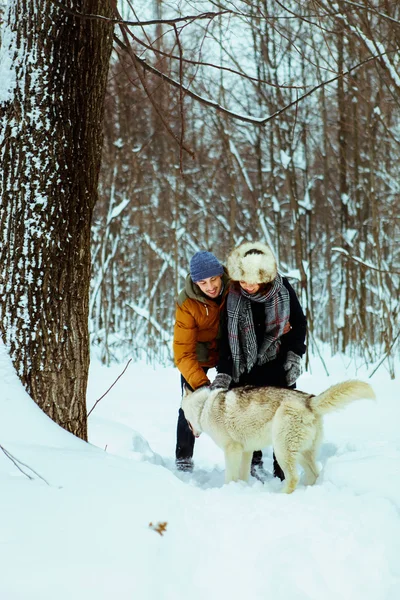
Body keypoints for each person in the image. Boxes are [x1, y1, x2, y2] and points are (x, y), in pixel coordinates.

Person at [211, 241, 307, 480]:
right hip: (242, 366)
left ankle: (282, 470)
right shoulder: (232, 294)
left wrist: (294, 356)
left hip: (276, 363)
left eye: (253, 281)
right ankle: (252, 465)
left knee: (281, 419)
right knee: (245, 420)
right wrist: (223, 372)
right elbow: (225, 338)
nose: (248, 286)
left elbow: (299, 325)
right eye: (243, 281)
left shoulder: (282, 289)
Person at [173, 250, 230, 471]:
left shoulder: (234, 287)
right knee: (189, 402)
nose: (210, 286)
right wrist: (202, 387)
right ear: (196, 282)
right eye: (203, 282)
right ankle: (183, 458)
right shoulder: (186, 302)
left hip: (228, 351)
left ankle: (250, 458)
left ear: (221, 274)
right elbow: (183, 352)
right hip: (198, 354)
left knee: (241, 397)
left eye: (214, 279)